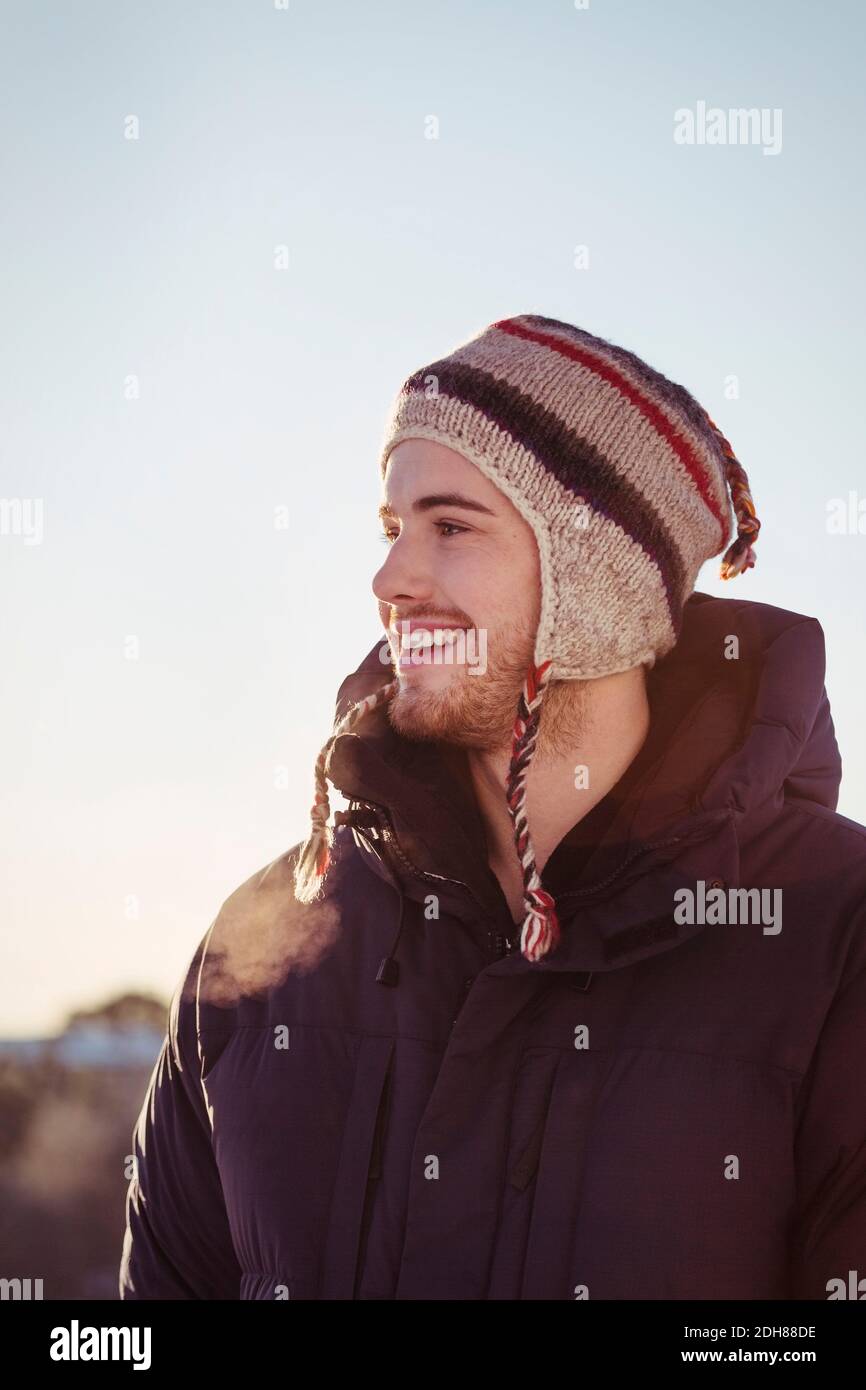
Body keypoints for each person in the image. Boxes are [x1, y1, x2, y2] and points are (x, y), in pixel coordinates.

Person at [119, 313, 866, 1301]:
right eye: (392, 530)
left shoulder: (832, 935)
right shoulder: (266, 949)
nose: (390, 581)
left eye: (451, 527)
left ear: (596, 579)